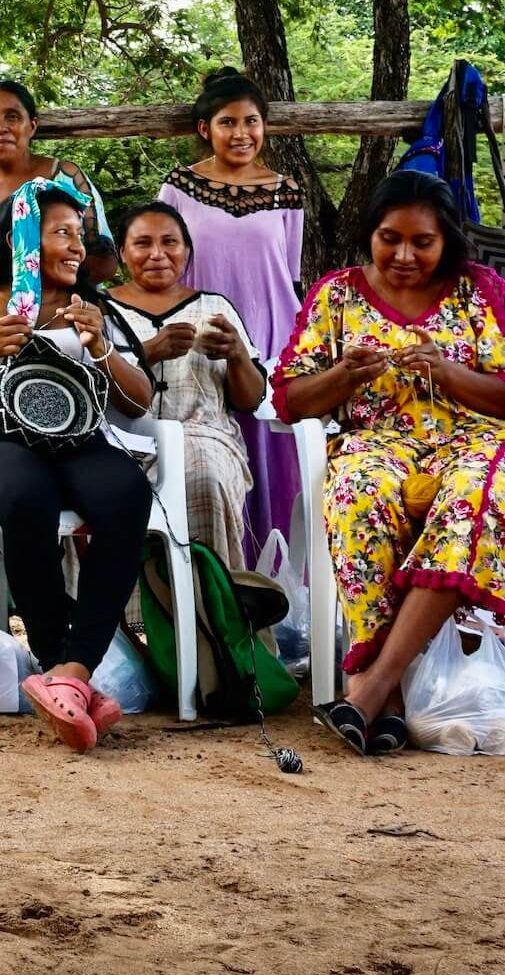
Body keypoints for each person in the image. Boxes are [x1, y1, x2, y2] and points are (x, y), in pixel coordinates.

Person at [0, 177, 154, 752]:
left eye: (80, 234)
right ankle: (56, 654)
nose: (76, 245)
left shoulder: (89, 310)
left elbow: (139, 402)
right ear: (21, 238)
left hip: (78, 435)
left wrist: (100, 346)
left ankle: (73, 673)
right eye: (61, 232)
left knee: (125, 493)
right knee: (25, 494)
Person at [273, 172, 505, 755]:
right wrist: (343, 376)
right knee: (356, 491)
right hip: (376, 441)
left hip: (471, 440)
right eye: (388, 238)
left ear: (445, 239)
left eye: (421, 242)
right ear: (369, 234)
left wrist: (446, 371)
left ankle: (372, 688)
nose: (403, 255)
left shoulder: (478, 291)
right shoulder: (338, 295)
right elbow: (291, 399)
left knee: (477, 493)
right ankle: (393, 698)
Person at [158, 67, 303, 566]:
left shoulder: (287, 190)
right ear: (205, 129)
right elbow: (166, 257)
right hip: (204, 332)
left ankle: (281, 575)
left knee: (273, 450)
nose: (241, 134)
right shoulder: (179, 186)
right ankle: (214, 570)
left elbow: (289, 270)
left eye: (251, 122)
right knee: (210, 441)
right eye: (228, 123)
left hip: (273, 330)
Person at [108, 202, 265, 569]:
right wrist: (149, 352)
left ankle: (208, 610)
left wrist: (238, 356)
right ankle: (127, 622)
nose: (157, 254)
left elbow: (250, 399)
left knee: (202, 476)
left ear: (187, 251)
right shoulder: (99, 310)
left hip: (205, 437)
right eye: (142, 243)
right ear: (122, 253)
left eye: (170, 243)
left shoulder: (214, 308)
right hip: (121, 442)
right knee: (100, 489)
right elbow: (90, 386)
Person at [0, 80, 117, 292]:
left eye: (12, 117)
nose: (0, 128)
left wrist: (36, 297)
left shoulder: (66, 179)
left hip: (58, 318)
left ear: (32, 126)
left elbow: (104, 262)